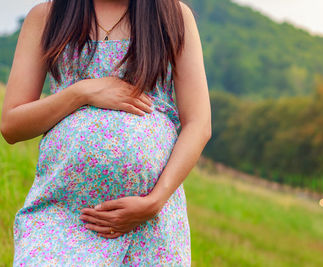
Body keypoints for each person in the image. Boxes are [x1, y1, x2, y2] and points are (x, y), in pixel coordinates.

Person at [0, 0, 211, 265]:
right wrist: (82, 92)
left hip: (148, 226)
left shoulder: (173, 15)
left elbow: (199, 123)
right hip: (65, 214)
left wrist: (155, 202)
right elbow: (11, 125)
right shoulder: (47, 16)